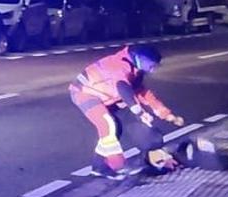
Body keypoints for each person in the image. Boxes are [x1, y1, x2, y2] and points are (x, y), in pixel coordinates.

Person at [69, 43, 185, 180]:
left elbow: (143, 93)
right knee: (108, 125)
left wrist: (167, 115)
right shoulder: (119, 65)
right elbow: (123, 89)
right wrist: (140, 113)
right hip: (84, 93)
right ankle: (118, 167)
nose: (152, 70)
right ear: (140, 59)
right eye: (151, 65)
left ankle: (99, 167)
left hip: (105, 96)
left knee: (114, 130)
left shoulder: (135, 70)